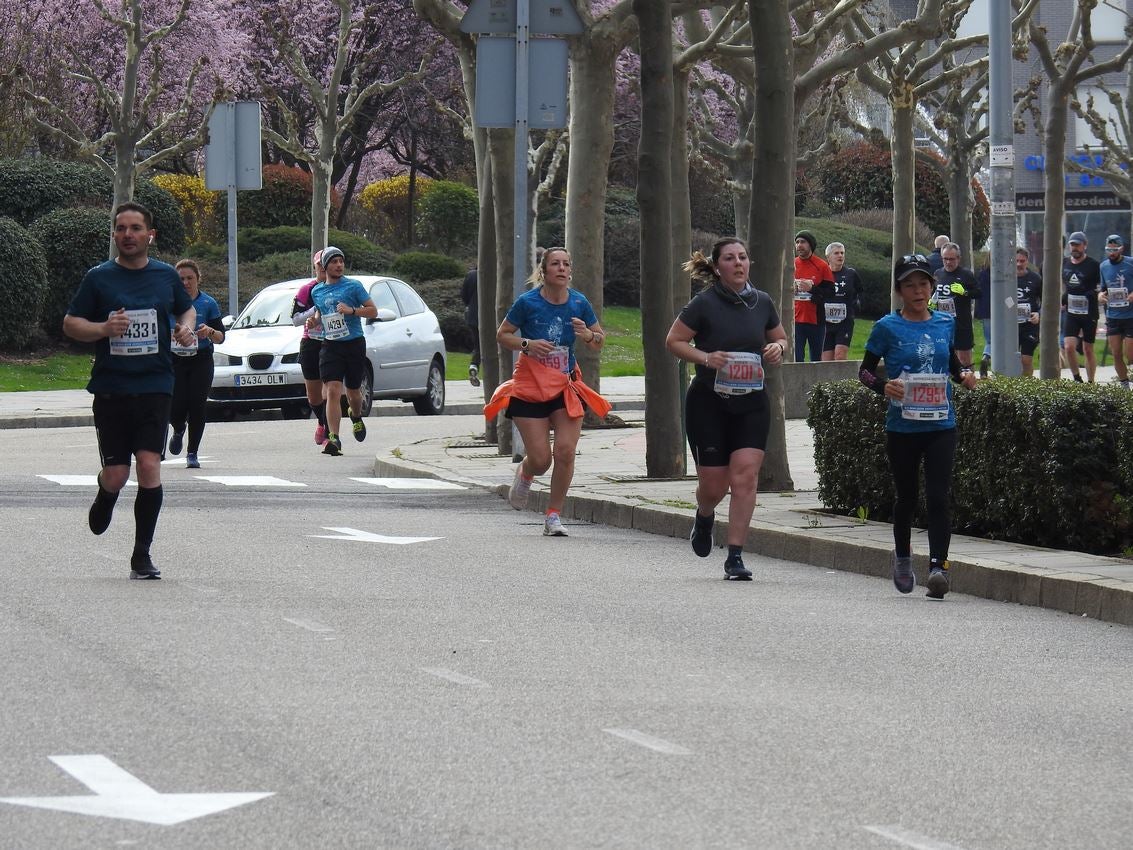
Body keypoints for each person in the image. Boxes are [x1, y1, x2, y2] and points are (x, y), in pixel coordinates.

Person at [62, 201, 196, 580]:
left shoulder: (166, 277)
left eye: (135, 228)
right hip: (112, 387)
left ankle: (142, 555)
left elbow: (185, 310)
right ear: (115, 235)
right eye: (121, 228)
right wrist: (104, 329)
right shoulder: (99, 278)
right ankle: (106, 493)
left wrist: (186, 326)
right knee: (118, 474)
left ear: (149, 235)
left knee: (150, 465)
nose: (128, 235)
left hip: (155, 384)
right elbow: (72, 323)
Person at [664, 237, 789, 580]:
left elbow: (780, 337)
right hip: (709, 403)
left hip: (752, 402)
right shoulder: (703, 303)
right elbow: (673, 340)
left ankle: (735, 556)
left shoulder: (762, 301)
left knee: (746, 477)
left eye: (743, 257)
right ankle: (704, 514)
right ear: (717, 268)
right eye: (731, 259)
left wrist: (777, 347)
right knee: (715, 486)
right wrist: (706, 357)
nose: (738, 263)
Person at [858, 253, 977, 599]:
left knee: (939, 496)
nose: (917, 290)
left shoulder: (943, 323)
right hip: (903, 426)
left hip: (942, 423)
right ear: (899, 291)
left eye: (923, 283)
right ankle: (903, 558)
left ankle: (939, 568)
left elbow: (952, 363)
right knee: (907, 497)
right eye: (909, 285)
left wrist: (965, 375)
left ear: (931, 287)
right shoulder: (886, 327)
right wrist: (884, 386)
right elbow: (864, 372)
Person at [486, 247, 610, 537]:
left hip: (564, 385)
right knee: (542, 459)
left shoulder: (579, 302)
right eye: (556, 264)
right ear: (544, 271)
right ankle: (526, 473)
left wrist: (589, 335)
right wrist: (528, 345)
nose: (562, 268)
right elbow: (502, 335)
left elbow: (599, 340)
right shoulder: (527, 303)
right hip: (530, 387)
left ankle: (553, 515)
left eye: (567, 264)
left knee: (565, 452)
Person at [306, 246, 378, 456]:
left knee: (354, 392)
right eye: (334, 262)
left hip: (354, 344)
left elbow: (373, 310)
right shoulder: (317, 291)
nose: (339, 265)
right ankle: (334, 438)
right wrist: (314, 321)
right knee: (333, 390)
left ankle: (355, 415)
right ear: (325, 266)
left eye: (341, 262)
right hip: (330, 346)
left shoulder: (354, 287)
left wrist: (352, 310)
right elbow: (321, 312)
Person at [167, 259, 225, 468]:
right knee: (176, 404)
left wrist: (209, 332)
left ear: (198, 279)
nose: (185, 283)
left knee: (198, 405)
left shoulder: (208, 303)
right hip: (175, 360)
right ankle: (179, 428)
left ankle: (192, 453)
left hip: (201, 359)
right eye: (180, 279)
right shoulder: (168, 303)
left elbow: (221, 337)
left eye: (189, 278)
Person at [291, 250, 329, 445]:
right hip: (311, 343)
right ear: (314, 267)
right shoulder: (306, 290)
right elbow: (296, 320)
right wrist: (316, 309)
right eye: (319, 265)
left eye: (326, 264)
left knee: (331, 389)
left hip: (333, 343)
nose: (323, 268)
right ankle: (322, 422)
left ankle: (331, 433)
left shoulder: (342, 287)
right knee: (313, 396)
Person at [1061, 231, 1102, 383]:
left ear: (1085, 246)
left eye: (1078, 245)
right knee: (1068, 346)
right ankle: (1077, 378)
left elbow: (1101, 286)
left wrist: (1094, 293)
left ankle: (1090, 382)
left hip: (1089, 312)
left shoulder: (1093, 265)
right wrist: (1063, 298)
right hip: (1071, 312)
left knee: (1088, 349)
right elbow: (1066, 286)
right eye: (1072, 245)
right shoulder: (1065, 263)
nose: (1075, 248)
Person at [932, 242, 981, 368]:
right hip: (942, 323)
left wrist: (964, 292)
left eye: (951, 259)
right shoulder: (938, 273)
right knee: (944, 356)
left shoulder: (966, 274)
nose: (948, 262)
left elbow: (979, 293)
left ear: (958, 259)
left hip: (961, 323)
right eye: (945, 259)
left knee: (964, 359)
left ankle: (968, 385)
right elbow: (933, 293)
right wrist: (931, 303)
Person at [818, 241, 863, 361]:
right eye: (836, 253)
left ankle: (842, 380)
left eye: (842, 253)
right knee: (825, 360)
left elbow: (860, 291)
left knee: (839, 355)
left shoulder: (851, 274)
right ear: (828, 257)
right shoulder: (821, 274)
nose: (840, 256)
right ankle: (828, 380)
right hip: (825, 322)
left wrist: (855, 306)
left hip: (845, 322)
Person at [792, 230, 833, 362]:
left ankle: (814, 383)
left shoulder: (822, 265)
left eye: (803, 242)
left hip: (816, 320)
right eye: (797, 242)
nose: (799, 245)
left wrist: (813, 289)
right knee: (797, 358)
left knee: (815, 359)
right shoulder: (791, 264)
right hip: (795, 320)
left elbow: (830, 292)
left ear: (811, 245)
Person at [1099, 233, 1133, 389]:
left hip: (1130, 315)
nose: (1111, 253)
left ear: (1122, 249)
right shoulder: (1104, 266)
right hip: (1113, 315)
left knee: (1130, 353)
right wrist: (1100, 295)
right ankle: (1124, 385)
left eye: (1115, 249)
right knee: (1116, 353)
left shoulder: (1130, 263)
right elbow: (1103, 288)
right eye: (1108, 249)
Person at [1014, 248, 1043, 377]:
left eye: (1022, 261)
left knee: (1026, 359)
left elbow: (1046, 301)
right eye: (1016, 261)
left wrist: (1039, 314)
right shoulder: (1005, 279)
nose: (1019, 264)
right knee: (1011, 360)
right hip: (1011, 326)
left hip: (1029, 325)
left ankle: (1027, 387)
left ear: (1027, 261)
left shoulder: (1035, 278)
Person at [461, 266, 481, 387]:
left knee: (478, 345)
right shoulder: (495, 273)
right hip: (492, 317)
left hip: (473, 316)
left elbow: (464, 295)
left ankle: (474, 365)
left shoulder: (472, 275)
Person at [975, 258, 992, 378]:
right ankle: (988, 357)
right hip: (1000, 310)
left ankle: (986, 356)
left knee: (989, 339)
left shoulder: (982, 273)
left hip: (985, 311)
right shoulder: (1005, 274)